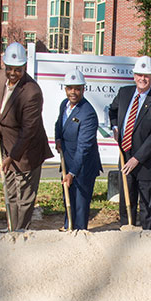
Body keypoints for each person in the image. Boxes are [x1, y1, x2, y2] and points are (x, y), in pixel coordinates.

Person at [0, 42, 53, 230]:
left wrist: (11, 157)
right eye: (10, 69)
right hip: (6, 146)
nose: (13, 73)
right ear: (4, 66)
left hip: (26, 152)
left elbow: (28, 132)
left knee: (24, 197)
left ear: (25, 67)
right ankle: (11, 229)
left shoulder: (32, 92)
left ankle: (21, 232)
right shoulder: (0, 77)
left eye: (18, 69)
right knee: (10, 192)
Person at [109, 55, 151, 229]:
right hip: (125, 158)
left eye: (147, 75)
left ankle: (147, 242)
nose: (143, 79)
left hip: (147, 163)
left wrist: (137, 159)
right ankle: (127, 237)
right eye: (140, 75)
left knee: (147, 209)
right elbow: (112, 111)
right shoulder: (124, 93)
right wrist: (114, 127)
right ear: (134, 75)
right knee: (126, 203)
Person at [55, 69, 102, 230]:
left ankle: (80, 233)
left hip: (83, 167)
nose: (73, 92)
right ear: (65, 88)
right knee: (68, 198)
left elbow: (84, 147)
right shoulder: (64, 105)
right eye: (70, 88)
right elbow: (58, 124)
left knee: (80, 204)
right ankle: (69, 228)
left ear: (83, 89)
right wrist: (58, 138)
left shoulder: (87, 113)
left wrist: (72, 173)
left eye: (77, 88)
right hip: (68, 161)